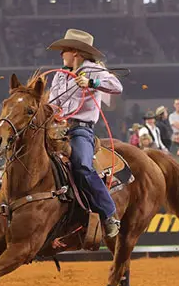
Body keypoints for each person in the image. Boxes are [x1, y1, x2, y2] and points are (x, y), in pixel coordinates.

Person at [48, 29, 124, 238]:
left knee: (82, 166)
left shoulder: (93, 70)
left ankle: (109, 214)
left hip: (81, 129)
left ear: (76, 52)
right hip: (58, 128)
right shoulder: (59, 75)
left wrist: (92, 83)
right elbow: (52, 103)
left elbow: (117, 86)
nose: (61, 54)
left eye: (64, 50)